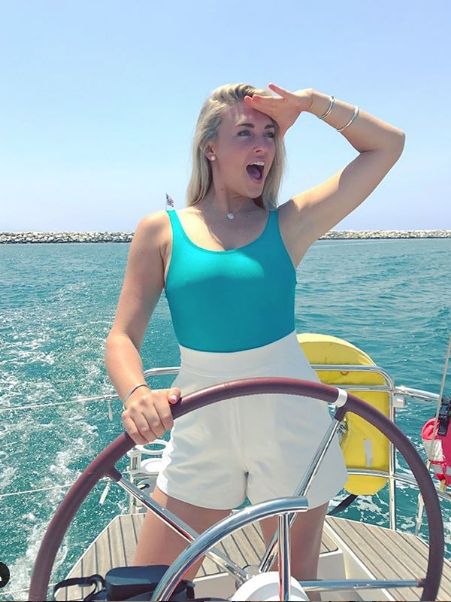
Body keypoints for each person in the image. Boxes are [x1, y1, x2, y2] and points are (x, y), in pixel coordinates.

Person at [104, 82, 405, 592]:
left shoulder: (289, 224)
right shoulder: (161, 231)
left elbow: (388, 146)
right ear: (210, 147)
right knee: (151, 587)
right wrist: (136, 394)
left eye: (271, 133)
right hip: (201, 422)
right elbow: (121, 337)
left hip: (292, 424)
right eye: (245, 133)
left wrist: (311, 104)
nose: (263, 144)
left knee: (290, 589)